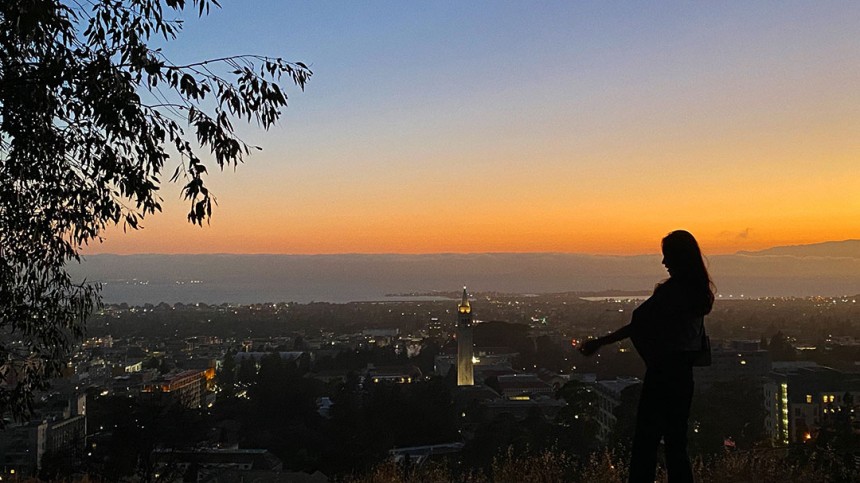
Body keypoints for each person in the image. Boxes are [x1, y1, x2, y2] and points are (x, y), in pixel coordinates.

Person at [579, 230, 714, 483]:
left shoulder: (672, 293)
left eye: (667, 257)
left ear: (679, 258)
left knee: (646, 441)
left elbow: (639, 325)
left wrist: (601, 342)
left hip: (663, 373)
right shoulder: (698, 293)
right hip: (683, 376)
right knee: (676, 443)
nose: (664, 263)